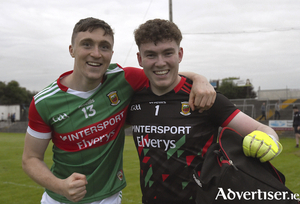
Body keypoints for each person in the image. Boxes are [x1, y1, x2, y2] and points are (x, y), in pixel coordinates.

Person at [22, 17, 215, 204]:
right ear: (72, 50)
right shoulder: (44, 102)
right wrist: (60, 186)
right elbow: (30, 158)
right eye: (87, 44)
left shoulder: (124, 79)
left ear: (111, 53)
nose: (96, 53)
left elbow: (164, 73)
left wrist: (199, 78)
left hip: (109, 197)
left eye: (104, 46)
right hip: (58, 199)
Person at [127, 19, 282, 204]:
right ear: (139, 59)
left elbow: (262, 129)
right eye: (151, 55)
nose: (160, 63)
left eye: (168, 53)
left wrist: (269, 140)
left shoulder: (204, 96)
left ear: (180, 54)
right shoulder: (134, 99)